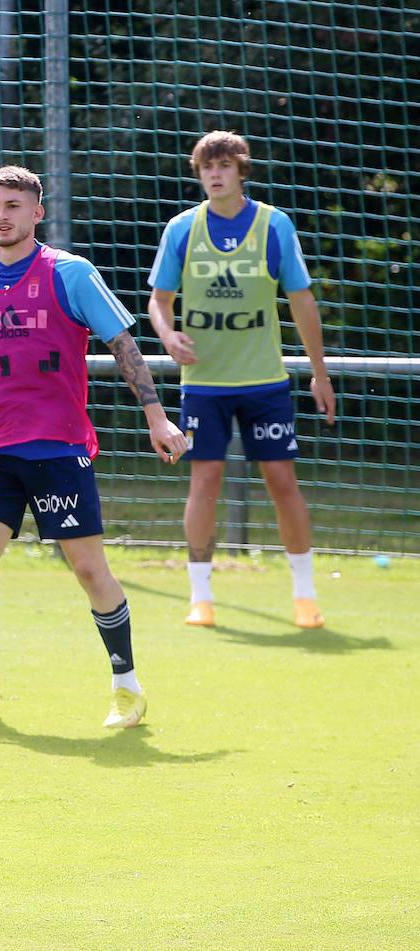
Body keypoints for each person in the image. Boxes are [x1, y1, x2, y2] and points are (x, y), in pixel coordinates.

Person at [0, 166, 186, 729]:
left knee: (87, 569)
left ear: (37, 212)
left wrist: (157, 417)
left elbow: (122, 343)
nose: (2, 215)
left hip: (58, 448)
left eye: (13, 205)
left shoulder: (70, 273)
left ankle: (127, 689)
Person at [147, 131, 335, 629]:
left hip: (264, 381)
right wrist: (166, 333)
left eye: (224, 165)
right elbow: (159, 301)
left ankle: (304, 595)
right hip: (203, 384)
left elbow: (301, 300)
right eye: (207, 166)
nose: (215, 173)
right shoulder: (182, 229)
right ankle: (201, 597)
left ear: (240, 171)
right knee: (204, 481)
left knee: (282, 481)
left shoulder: (274, 226)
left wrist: (319, 373)